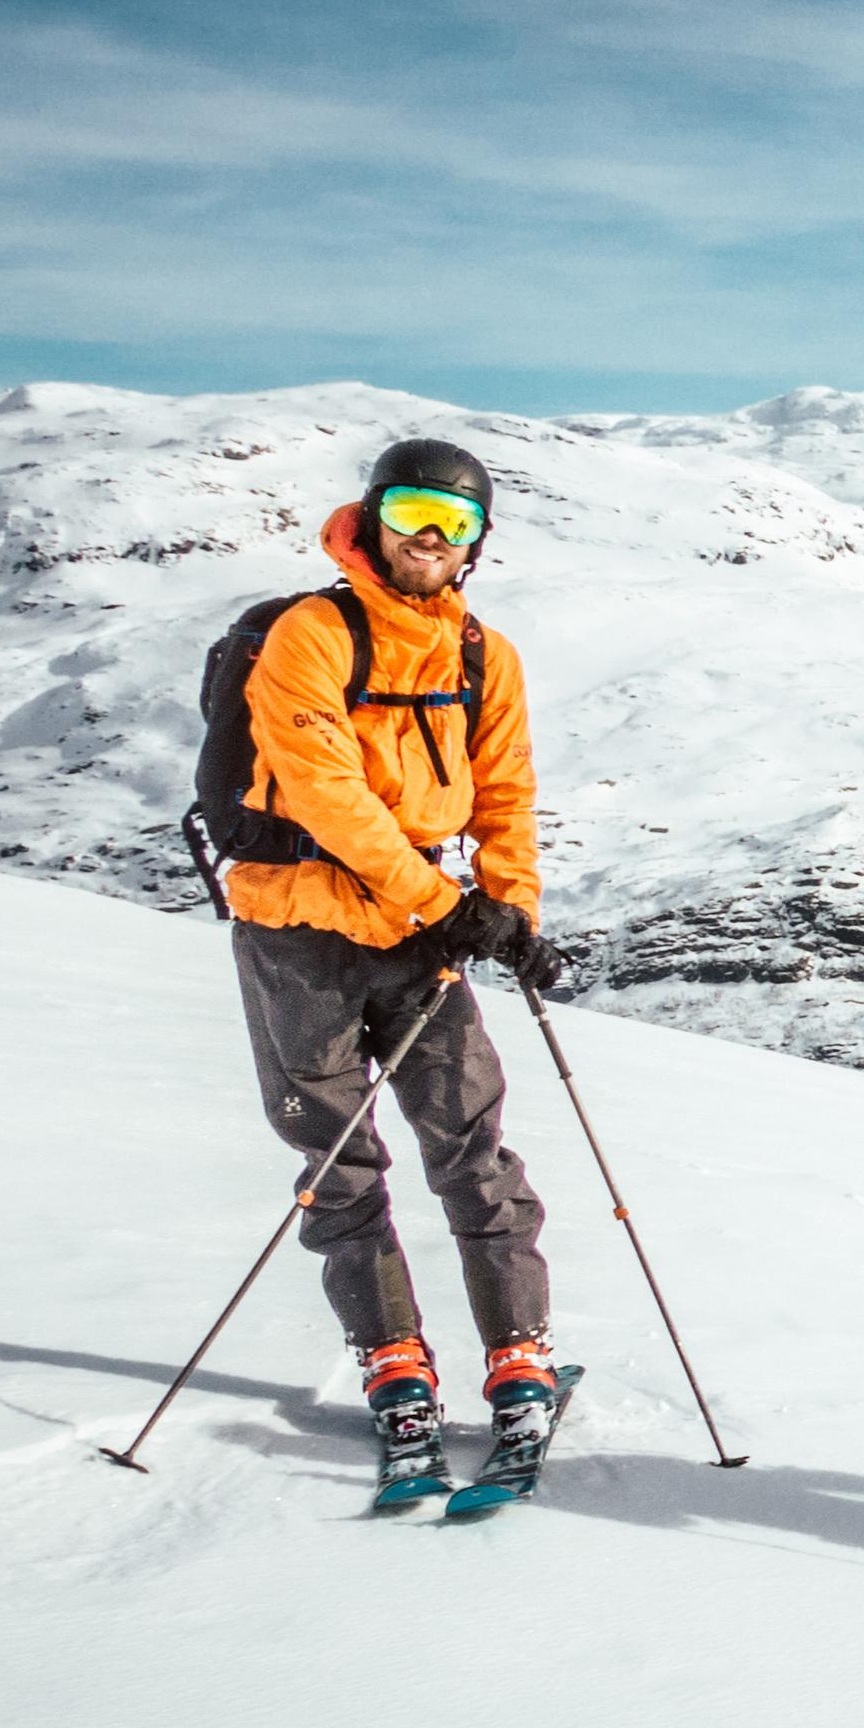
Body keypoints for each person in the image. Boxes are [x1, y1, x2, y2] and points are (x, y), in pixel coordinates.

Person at [223, 437, 566, 1487]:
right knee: (338, 1162)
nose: (430, 535)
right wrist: (439, 904)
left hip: (425, 937)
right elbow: (324, 791)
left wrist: (508, 908)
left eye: (454, 521)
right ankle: (393, 1361)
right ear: (370, 516)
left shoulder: (482, 655)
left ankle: (517, 1355)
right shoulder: (309, 635)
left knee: (473, 1145)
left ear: (477, 543)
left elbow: (505, 789)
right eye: (415, 509)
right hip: (298, 934)